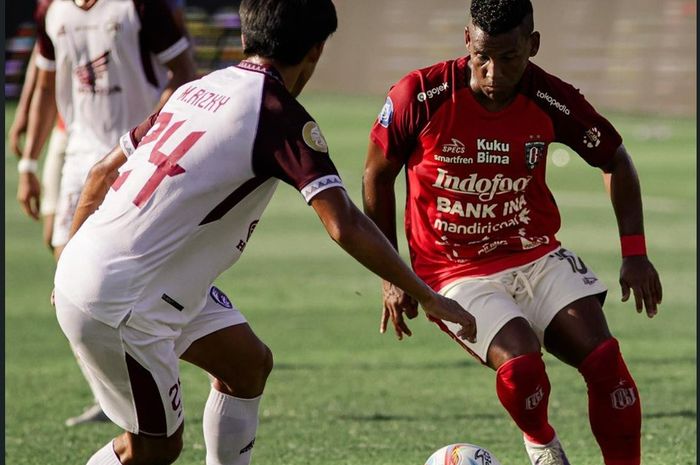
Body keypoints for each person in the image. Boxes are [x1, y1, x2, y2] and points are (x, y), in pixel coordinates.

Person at [52, 0, 477, 464]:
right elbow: (344, 224)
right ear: (315, 52)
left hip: (114, 271)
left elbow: (99, 174)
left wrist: (70, 263)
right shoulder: (280, 116)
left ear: (243, 38)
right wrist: (427, 294)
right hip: (124, 300)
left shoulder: (197, 88)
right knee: (154, 448)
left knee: (247, 364)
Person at [362, 1, 662, 464]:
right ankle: (541, 442)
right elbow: (376, 176)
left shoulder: (551, 98)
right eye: (482, 56)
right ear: (467, 41)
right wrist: (393, 277)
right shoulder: (419, 94)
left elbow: (615, 159)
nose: (493, 71)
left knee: (608, 367)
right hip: (451, 270)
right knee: (523, 368)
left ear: (533, 46)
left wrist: (635, 253)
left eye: (509, 58)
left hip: (535, 253)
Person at [16, 0, 196, 427]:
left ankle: (150, 369)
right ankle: (114, 394)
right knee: (70, 275)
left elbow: (185, 71)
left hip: (137, 160)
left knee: (136, 275)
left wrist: (154, 132)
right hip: (79, 160)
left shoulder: (139, 6)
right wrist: (28, 164)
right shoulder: (52, 10)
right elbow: (44, 85)